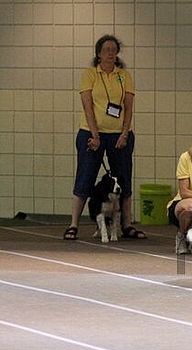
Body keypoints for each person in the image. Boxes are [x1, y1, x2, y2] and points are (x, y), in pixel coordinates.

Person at [64, 35, 146, 240]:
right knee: (85, 175)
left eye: (113, 49)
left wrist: (125, 133)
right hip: (91, 133)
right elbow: (87, 105)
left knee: (123, 178)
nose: (110, 53)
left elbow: (128, 107)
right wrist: (94, 134)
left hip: (119, 135)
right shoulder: (90, 74)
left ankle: (126, 224)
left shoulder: (124, 76)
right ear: (98, 53)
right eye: (106, 49)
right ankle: (74, 223)